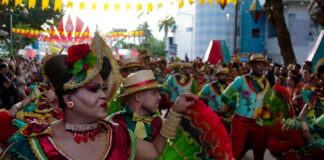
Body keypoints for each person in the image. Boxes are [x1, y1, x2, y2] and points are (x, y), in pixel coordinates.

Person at [1, 33, 196, 160]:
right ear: (68, 98)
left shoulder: (119, 134)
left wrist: (176, 112)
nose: (104, 95)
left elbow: (153, 153)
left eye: (103, 88)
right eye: (94, 89)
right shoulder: (35, 144)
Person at [221, 54, 272, 160]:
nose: (261, 67)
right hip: (240, 122)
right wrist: (235, 106)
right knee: (235, 152)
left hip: (257, 123)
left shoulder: (267, 85)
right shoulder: (241, 80)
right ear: (252, 65)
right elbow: (225, 96)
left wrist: (266, 115)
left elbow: (266, 105)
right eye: (258, 64)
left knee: (259, 152)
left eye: (263, 64)